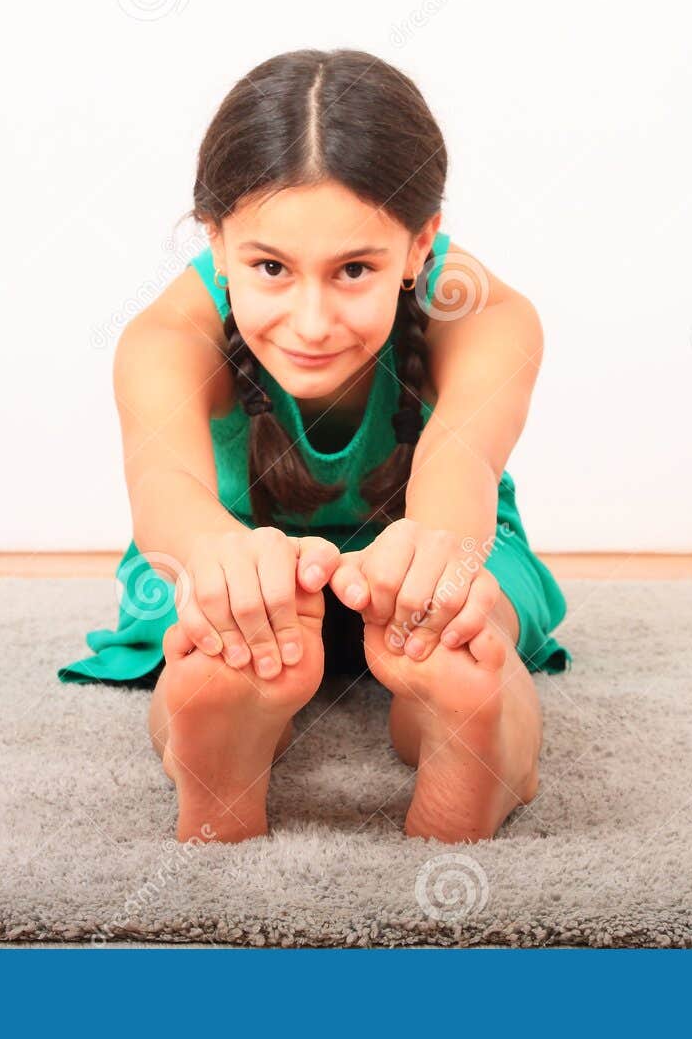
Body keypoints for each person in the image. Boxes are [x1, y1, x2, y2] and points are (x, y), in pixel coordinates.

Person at [60, 48, 570, 846]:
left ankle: (473, 732)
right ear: (217, 242)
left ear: (419, 243)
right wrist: (220, 564)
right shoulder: (164, 337)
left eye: (354, 269)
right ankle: (222, 729)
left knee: (474, 626)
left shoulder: (487, 315)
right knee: (207, 631)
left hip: (433, 548)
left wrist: (430, 569)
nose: (310, 320)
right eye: (270, 267)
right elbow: (166, 490)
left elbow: (457, 468)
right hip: (230, 548)